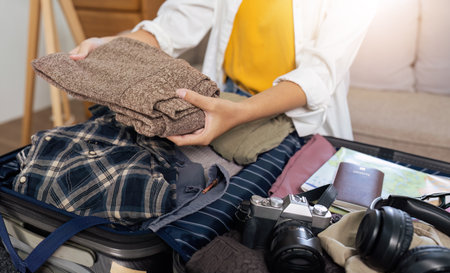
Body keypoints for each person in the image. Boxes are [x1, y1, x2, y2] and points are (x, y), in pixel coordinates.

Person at [69, 0, 378, 147]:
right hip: (226, 98)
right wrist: (116, 45)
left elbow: (320, 73)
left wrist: (238, 113)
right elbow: (175, 24)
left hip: (294, 117)